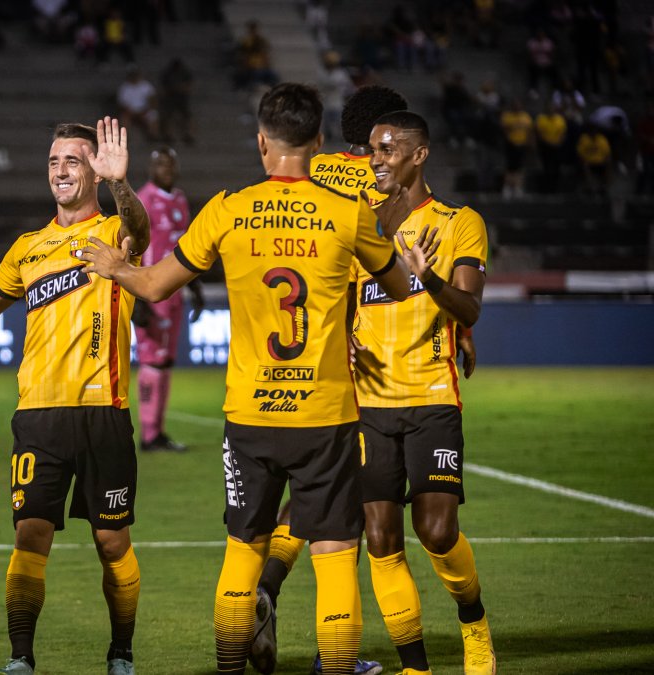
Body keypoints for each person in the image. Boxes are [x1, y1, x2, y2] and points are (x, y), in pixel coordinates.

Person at [81, 83, 412, 674]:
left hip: (250, 417)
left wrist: (115, 265)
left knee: (243, 550)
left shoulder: (228, 209)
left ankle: (230, 667)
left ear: (261, 142)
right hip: (325, 414)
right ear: (317, 142)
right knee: (336, 555)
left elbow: (155, 285)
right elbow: (394, 286)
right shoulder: (347, 212)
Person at [0, 118, 150, 675]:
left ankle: (121, 653)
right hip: (38, 417)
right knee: (30, 537)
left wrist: (122, 184)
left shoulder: (114, 233)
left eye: (72, 161)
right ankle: (20, 658)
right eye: (54, 162)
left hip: (104, 413)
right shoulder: (27, 248)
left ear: (94, 172)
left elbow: (141, 234)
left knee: (111, 542)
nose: (60, 171)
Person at [253, 84, 449, 675]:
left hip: (300, 361)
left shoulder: (309, 175)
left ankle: (265, 584)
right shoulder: (379, 181)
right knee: (346, 517)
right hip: (368, 368)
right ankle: (329, 652)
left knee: (314, 496)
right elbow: (395, 259)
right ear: (377, 137)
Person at [353, 109, 496, 675]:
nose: (376, 159)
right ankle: (415, 667)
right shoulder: (358, 225)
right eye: (372, 149)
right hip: (369, 404)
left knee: (436, 531)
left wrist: (429, 277)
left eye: (388, 149)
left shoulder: (460, 221)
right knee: (380, 539)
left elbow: (471, 309)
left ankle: (475, 624)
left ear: (419, 155)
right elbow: (340, 298)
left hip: (432, 396)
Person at [133, 146, 204, 452]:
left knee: (166, 360)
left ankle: (158, 432)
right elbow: (131, 248)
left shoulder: (179, 199)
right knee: (153, 360)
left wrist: (196, 289)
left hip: (176, 293)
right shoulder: (142, 200)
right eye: (161, 164)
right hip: (151, 291)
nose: (167, 170)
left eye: (170, 164)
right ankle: (149, 434)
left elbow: (188, 248)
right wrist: (136, 298)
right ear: (150, 168)